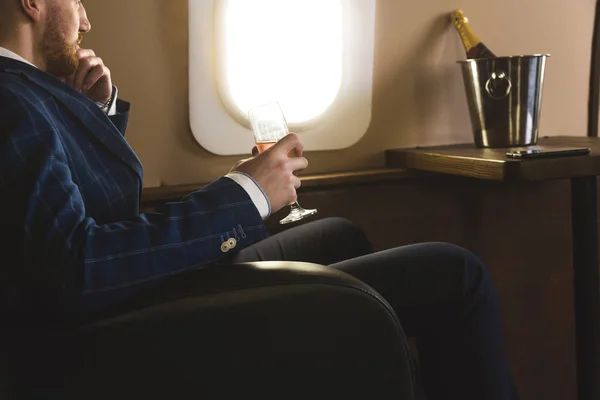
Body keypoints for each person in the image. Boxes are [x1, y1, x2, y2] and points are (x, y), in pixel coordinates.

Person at [0, 0, 520, 399]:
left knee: (341, 234)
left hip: (137, 295)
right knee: (456, 275)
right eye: (76, 2)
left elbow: (89, 208)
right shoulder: (10, 99)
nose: (86, 21)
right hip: (124, 329)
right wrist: (245, 194)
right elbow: (74, 267)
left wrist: (93, 112)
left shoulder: (28, 91)